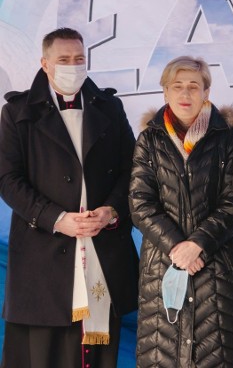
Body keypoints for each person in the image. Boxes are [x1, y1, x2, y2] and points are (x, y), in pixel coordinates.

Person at [0, 27, 139, 368]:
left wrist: (112, 212)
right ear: (45, 63)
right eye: (64, 60)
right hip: (41, 258)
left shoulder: (111, 107)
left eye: (79, 59)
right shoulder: (16, 113)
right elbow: (7, 179)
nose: (73, 66)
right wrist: (56, 219)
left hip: (103, 251)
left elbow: (132, 172)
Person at [129, 56, 233, 367]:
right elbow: (140, 204)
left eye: (193, 87)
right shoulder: (149, 140)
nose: (185, 94)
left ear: (206, 93)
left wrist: (198, 244)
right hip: (163, 269)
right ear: (165, 93)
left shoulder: (228, 139)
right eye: (177, 86)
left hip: (216, 270)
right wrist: (177, 248)